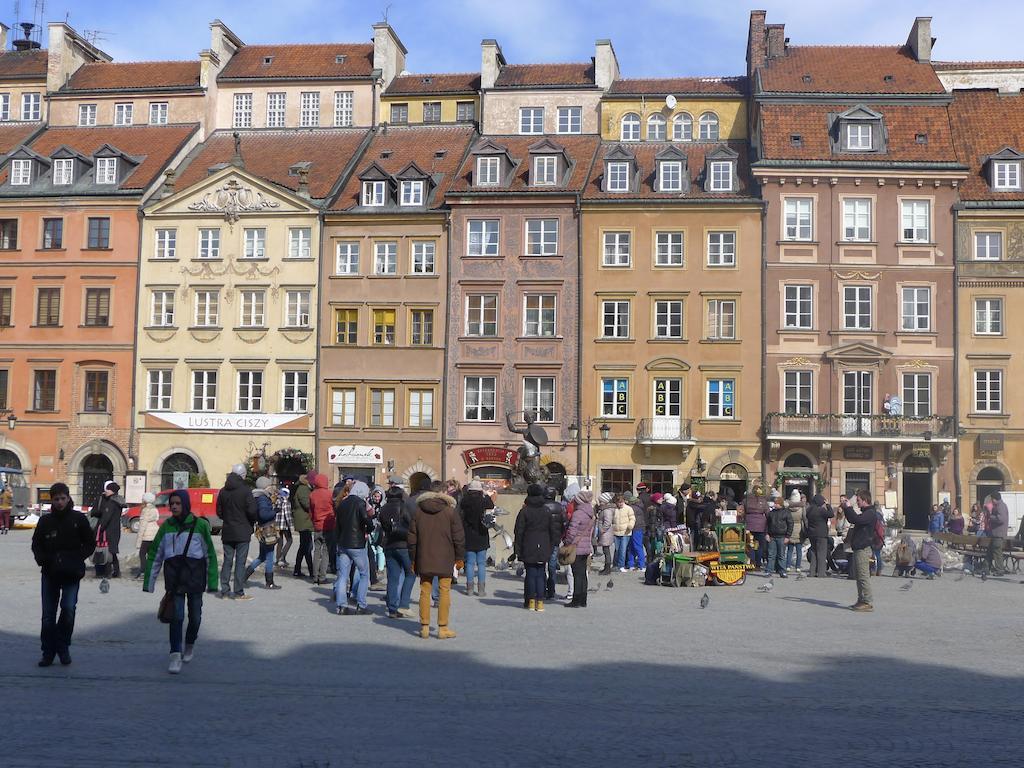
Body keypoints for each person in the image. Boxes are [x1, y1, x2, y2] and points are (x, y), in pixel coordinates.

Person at [143, 489, 219, 674]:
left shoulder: (200, 525)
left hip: (195, 578)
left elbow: (210, 554)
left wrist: (213, 582)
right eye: (172, 504)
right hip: (174, 579)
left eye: (178, 503)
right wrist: (149, 582)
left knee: (195, 617)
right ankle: (175, 654)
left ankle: (190, 643)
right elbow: (155, 554)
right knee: (176, 617)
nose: (174, 506)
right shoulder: (166, 527)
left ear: (185, 504)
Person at [31, 482, 95, 667]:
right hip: (50, 573)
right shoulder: (45, 521)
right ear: (52, 500)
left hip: (71, 573)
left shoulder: (78, 519)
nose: (59, 502)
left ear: (68, 498)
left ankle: (63, 645)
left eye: (62, 498)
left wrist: (77, 558)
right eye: (56, 499)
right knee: (48, 616)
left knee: (68, 609)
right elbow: (36, 544)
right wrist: (43, 559)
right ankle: (48, 652)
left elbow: (90, 543)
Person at [408, 489, 465, 639]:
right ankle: (443, 627)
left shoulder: (419, 513)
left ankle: (424, 626)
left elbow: (412, 539)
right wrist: (459, 558)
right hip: (445, 558)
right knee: (444, 591)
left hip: (424, 557)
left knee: (424, 591)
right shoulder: (450, 513)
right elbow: (458, 537)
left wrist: (413, 559)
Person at [514, 483, 562, 612]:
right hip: (544, 545)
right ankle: (540, 602)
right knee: (541, 574)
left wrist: (517, 549)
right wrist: (551, 546)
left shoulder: (524, 511)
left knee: (530, 574)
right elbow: (553, 531)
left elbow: (519, 531)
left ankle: (530, 601)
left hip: (528, 544)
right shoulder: (546, 511)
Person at [216, 464, 257, 600]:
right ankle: (238, 592)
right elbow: (252, 511)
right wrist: (251, 521)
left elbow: (219, 512)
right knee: (240, 562)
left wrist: (228, 518)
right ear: (243, 475)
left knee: (227, 561)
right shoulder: (245, 490)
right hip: (242, 531)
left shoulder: (223, 491)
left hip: (227, 530)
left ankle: (225, 591)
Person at [334, 480, 372, 615]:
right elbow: (366, 519)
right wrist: (370, 527)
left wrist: (338, 542)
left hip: (343, 543)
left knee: (343, 576)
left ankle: (342, 605)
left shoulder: (342, 503)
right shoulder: (360, 503)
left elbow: (337, 525)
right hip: (357, 544)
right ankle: (361, 604)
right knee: (364, 573)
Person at [379, 485, 414, 618]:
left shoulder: (383, 509)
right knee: (410, 573)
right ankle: (404, 604)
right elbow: (412, 525)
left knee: (392, 577)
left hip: (389, 544)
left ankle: (392, 608)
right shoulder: (404, 507)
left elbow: (383, 526)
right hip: (404, 545)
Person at [243, 476, 281, 590]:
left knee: (262, 556)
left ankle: (244, 576)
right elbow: (264, 515)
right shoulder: (263, 499)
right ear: (265, 486)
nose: (271, 488)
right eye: (269, 485)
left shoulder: (258, 497)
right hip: (267, 529)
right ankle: (269, 582)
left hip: (262, 529)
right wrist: (274, 511)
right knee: (269, 556)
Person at [459, 480, 493, 597]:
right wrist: (485, 494)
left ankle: (469, 588)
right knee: (481, 564)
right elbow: (491, 505)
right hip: (482, 534)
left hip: (468, 535)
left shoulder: (464, 501)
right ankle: (481, 589)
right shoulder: (483, 501)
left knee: (469, 563)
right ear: (479, 491)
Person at [846, 489, 879, 611]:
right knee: (859, 576)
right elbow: (853, 519)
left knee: (863, 576)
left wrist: (849, 508)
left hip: (863, 548)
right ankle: (861, 599)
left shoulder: (870, 513)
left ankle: (867, 601)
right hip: (859, 548)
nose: (857, 503)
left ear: (865, 500)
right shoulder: (865, 512)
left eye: (859, 500)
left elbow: (857, 520)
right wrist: (847, 508)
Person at [563, 489, 595, 608]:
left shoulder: (578, 513)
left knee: (576, 574)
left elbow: (572, 531)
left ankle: (576, 600)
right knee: (582, 574)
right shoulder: (590, 512)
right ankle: (583, 599)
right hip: (586, 546)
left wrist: (567, 542)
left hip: (576, 547)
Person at [91, 480, 124, 578]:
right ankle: (117, 571)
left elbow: (106, 517)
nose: (106, 491)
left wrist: (100, 528)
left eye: (108, 489)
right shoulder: (118, 501)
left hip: (108, 530)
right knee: (112, 551)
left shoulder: (111, 502)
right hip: (115, 529)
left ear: (112, 491)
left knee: (108, 551)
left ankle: (107, 572)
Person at [308, 472, 335, 585]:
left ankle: (314, 576)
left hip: (317, 525)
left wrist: (314, 521)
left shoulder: (312, 495)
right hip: (328, 525)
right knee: (326, 552)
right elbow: (334, 508)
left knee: (317, 551)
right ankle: (322, 576)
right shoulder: (329, 494)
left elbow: (311, 512)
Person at [804, 494, 834, 578]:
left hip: (812, 534)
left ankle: (812, 572)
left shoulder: (809, 510)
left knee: (813, 552)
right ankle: (821, 573)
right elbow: (831, 514)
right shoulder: (821, 510)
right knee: (821, 553)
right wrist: (828, 505)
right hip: (821, 534)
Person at [291, 475, 314, 578]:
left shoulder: (302, 488)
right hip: (304, 521)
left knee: (303, 547)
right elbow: (307, 504)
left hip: (303, 521)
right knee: (307, 546)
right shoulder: (303, 489)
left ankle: (298, 569)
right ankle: (310, 570)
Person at [741, 486, 769, 570]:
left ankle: (751, 563)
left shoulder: (746, 500)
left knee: (750, 545)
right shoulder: (764, 501)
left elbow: (742, 513)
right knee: (759, 546)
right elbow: (768, 514)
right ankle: (758, 564)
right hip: (761, 526)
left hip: (749, 525)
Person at [135, 492, 161, 579]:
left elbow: (142, 526)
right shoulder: (154, 508)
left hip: (147, 535)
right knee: (151, 554)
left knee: (142, 553)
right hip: (155, 534)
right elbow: (157, 518)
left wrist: (138, 541)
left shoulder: (146, 510)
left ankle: (143, 572)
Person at [765, 496, 793, 577]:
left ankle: (782, 571)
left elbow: (790, 524)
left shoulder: (786, 512)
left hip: (782, 536)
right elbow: (767, 524)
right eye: (774, 503)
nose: (774, 504)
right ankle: (769, 571)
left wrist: (788, 536)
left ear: (780, 504)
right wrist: (766, 534)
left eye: (776, 503)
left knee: (781, 555)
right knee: (771, 555)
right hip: (772, 536)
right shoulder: (771, 513)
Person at [988, 491, 1009, 576]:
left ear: (995, 499)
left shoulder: (1001, 506)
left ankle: (999, 570)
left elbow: (1001, 519)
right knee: (992, 551)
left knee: (997, 553)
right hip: (996, 533)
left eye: (992, 499)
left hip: (998, 533)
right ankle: (987, 567)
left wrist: (991, 517)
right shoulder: (998, 506)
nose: (991, 501)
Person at [611, 494, 634, 572]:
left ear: (624, 501)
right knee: (617, 550)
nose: (620, 503)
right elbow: (612, 520)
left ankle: (621, 565)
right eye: (618, 502)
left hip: (625, 532)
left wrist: (630, 525)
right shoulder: (615, 509)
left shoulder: (628, 509)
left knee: (623, 550)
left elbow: (632, 518)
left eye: (621, 502)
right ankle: (615, 564)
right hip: (616, 532)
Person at [596, 491, 615, 576]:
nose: (600, 503)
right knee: (605, 550)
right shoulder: (605, 509)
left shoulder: (607, 510)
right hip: (605, 533)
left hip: (606, 533)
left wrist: (603, 529)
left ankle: (607, 568)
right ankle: (606, 567)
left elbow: (607, 521)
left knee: (606, 551)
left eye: (601, 501)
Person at [786, 491, 805, 573]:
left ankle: (788, 566)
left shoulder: (788, 508)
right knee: (799, 550)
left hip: (790, 529)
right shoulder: (802, 508)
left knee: (789, 550)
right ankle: (798, 566)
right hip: (799, 529)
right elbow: (804, 518)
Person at [275, 485, 293, 568]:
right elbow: (287, 514)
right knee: (289, 540)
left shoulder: (277, 500)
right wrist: (291, 525)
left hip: (277, 524)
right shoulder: (286, 502)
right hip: (284, 525)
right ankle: (282, 557)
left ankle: (278, 559)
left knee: (280, 542)